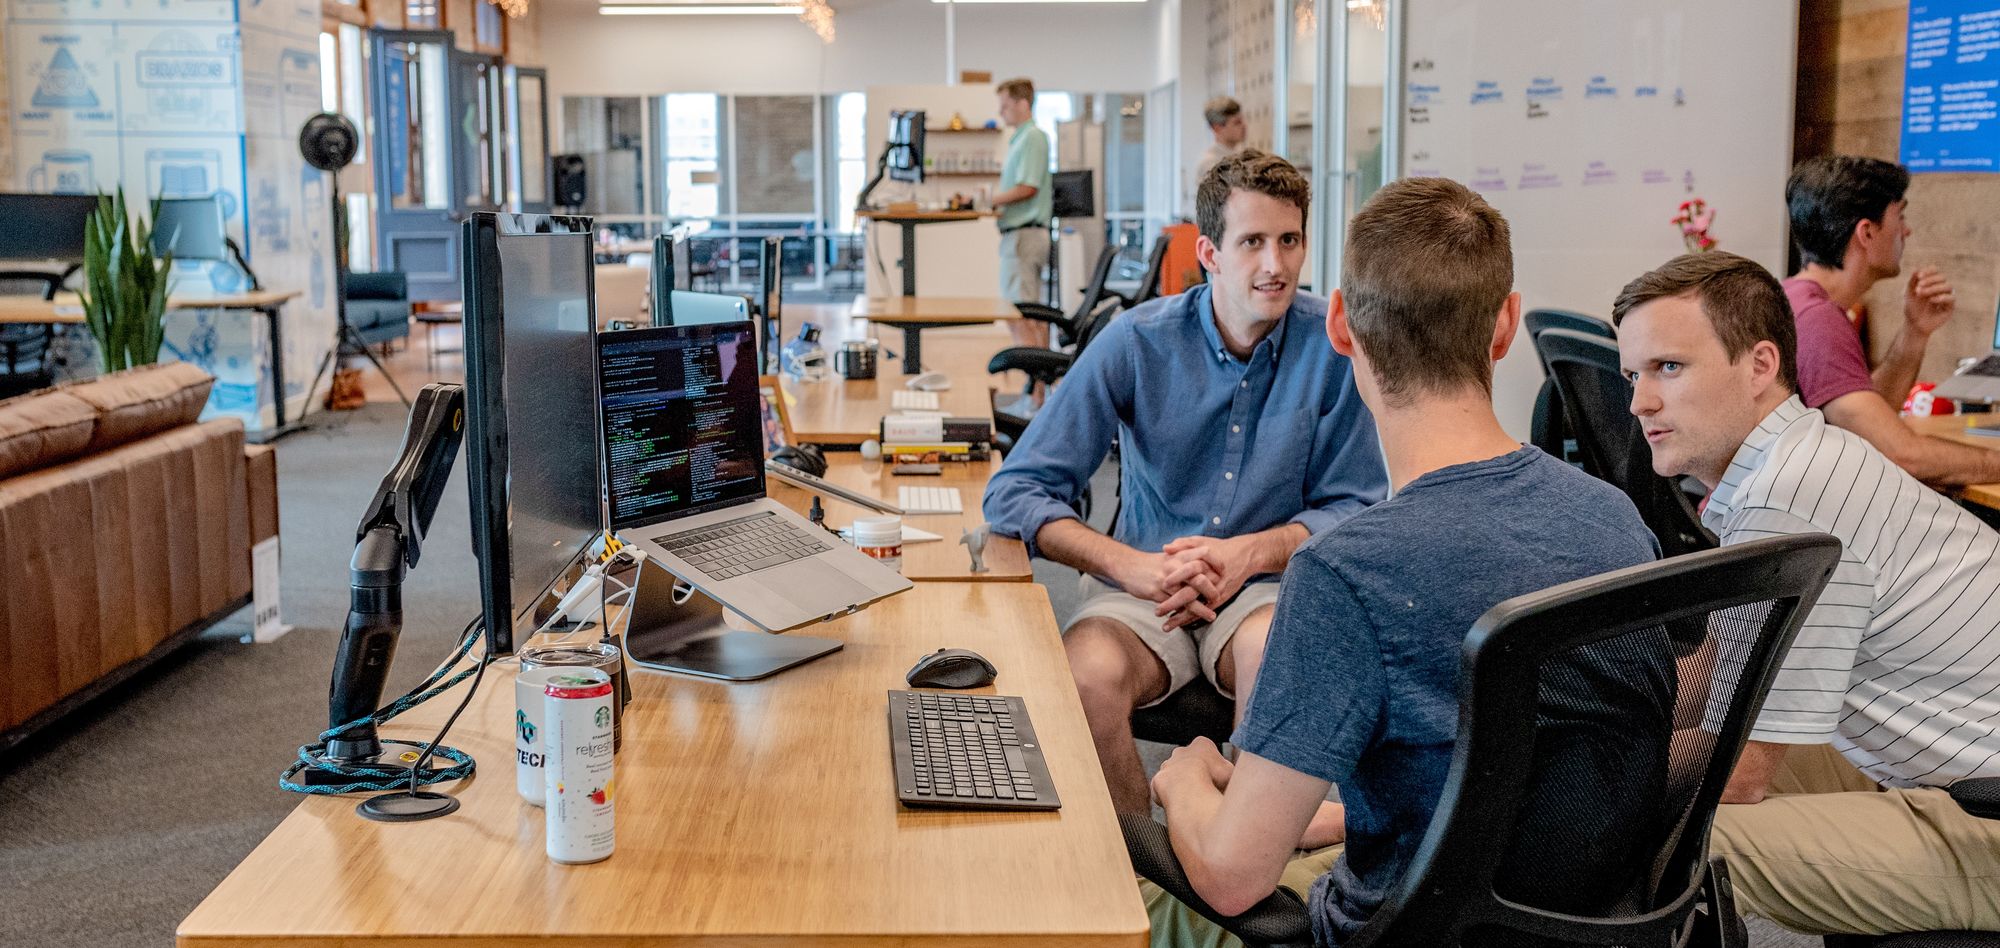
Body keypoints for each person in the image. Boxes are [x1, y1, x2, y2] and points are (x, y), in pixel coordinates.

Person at [1144, 175, 1675, 948]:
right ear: (1505, 325)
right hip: (1585, 928)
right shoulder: (1615, 521)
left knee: (1114, 895)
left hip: (1395, 931)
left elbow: (1232, 874)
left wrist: (1183, 779)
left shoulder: (1348, 573)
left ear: (1338, 325)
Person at [982, 150, 1387, 816]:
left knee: (1277, 664)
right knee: (1084, 678)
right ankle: (1145, 871)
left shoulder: (1335, 347)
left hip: (1264, 589)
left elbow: (1360, 507)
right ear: (1209, 252)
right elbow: (1015, 491)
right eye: (1252, 242)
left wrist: (1249, 554)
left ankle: (1240, 868)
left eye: (1290, 241)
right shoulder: (1135, 343)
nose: (1275, 265)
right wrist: (1129, 566)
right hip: (1144, 586)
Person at [1614, 250, 2000, 937]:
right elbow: (1723, 681)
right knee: (1625, 765)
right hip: (1942, 771)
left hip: (1981, 822)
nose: (1640, 402)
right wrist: (1561, 725)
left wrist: (1525, 780)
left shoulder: (1789, 499)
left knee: (1676, 838)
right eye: (1633, 375)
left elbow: (1738, 774)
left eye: (1668, 368)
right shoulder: (1797, 463)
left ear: (1761, 366)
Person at [1783, 155, 2000, 484]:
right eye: (1899, 216)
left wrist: (1915, 332)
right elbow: (1900, 453)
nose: (1906, 230)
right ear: (1867, 233)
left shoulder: (1797, 298)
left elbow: (1868, 423)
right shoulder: (1817, 321)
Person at [992, 77, 1053, 348]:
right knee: (1027, 315)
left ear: (1023, 103)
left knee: (1021, 316)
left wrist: (990, 200)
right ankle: (1038, 386)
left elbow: (1028, 187)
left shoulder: (1032, 137)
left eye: (1005, 106)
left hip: (1024, 236)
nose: (1000, 112)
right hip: (1020, 235)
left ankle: (1036, 388)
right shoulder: (1021, 139)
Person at [1193, 96, 1247, 190]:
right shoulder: (1209, 164)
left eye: (1242, 120)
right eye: (1237, 122)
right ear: (1217, 128)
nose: (1244, 126)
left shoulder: (1243, 154)